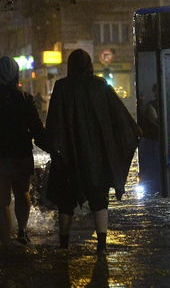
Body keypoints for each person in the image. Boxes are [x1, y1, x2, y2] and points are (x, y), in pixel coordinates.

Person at [45, 49, 141, 255]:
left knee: (65, 202)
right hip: (95, 158)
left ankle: (63, 246)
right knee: (99, 201)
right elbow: (119, 117)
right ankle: (102, 246)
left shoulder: (61, 87)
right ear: (89, 65)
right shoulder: (100, 85)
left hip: (68, 158)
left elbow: (53, 124)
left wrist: (54, 149)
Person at [0, 56, 53, 249]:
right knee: (23, 192)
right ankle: (22, 232)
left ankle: (5, 242)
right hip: (21, 153)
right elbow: (37, 130)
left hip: (1, 155)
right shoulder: (25, 98)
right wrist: (53, 149)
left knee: (3, 200)